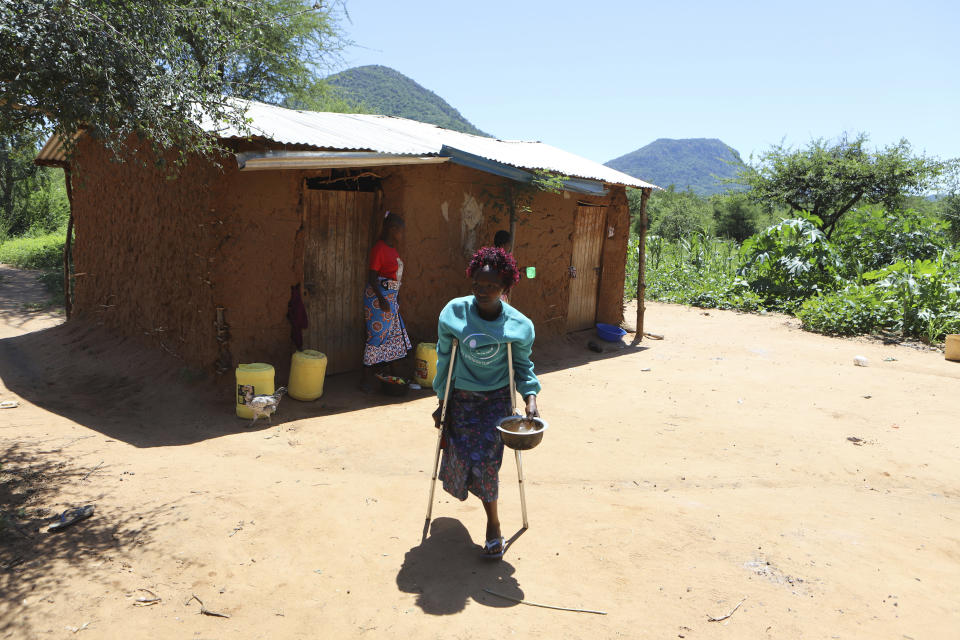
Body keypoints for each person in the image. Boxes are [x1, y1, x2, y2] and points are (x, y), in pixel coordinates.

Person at [432, 246, 540, 559]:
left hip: (497, 401)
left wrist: (530, 398)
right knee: (464, 457)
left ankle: (493, 525)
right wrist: (442, 401)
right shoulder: (453, 313)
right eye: (477, 284)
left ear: (506, 288)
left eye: (491, 286)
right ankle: (484, 509)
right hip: (463, 398)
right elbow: (443, 359)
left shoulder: (519, 326)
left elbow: (523, 367)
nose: (482, 291)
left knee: (488, 463)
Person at [361, 212, 412, 391]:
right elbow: (372, 276)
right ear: (392, 229)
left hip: (389, 298)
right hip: (378, 299)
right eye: (400, 231)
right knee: (376, 337)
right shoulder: (380, 249)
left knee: (392, 336)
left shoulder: (392, 249)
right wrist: (382, 299)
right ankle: (366, 381)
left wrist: (395, 298)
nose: (402, 235)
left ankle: (392, 377)